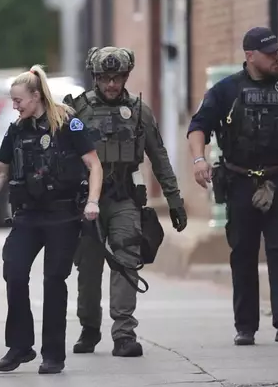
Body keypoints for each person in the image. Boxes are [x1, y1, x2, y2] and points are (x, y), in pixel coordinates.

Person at [186, 27, 278, 346]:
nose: (276, 57)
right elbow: (199, 127)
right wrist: (199, 160)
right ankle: (245, 326)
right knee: (244, 253)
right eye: (269, 53)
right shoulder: (226, 90)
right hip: (239, 182)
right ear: (250, 56)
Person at [0, 65, 103, 374]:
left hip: (63, 215)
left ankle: (53, 354)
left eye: (18, 100)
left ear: (36, 96)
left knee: (54, 281)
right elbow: (0, 171)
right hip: (27, 215)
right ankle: (19, 347)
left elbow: (94, 165)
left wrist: (92, 202)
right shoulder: (17, 130)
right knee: (14, 273)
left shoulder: (69, 124)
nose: (14, 106)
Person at [64, 46, 188, 358]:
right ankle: (89, 327)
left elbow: (159, 158)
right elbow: (60, 156)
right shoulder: (76, 110)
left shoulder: (139, 112)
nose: (111, 85)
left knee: (126, 257)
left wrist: (174, 200)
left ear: (126, 77)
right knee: (89, 266)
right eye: (105, 78)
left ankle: (123, 333)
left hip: (123, 197)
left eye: (117, 77)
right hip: (86, 199)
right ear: (95, 77)